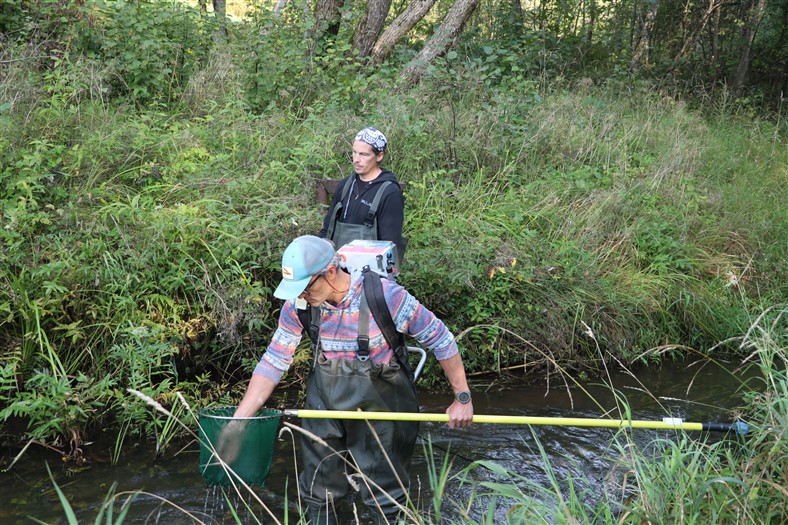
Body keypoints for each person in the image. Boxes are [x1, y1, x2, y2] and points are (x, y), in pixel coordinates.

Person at [228, 235, 473, 524]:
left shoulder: (385, 297)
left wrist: (462, 398)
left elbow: (442, 340)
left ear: (331, 271)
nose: (302, 295)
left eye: (306, 287)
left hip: (381, 409)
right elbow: (274, 359)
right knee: (319, 491)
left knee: (385, 497)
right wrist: (239, 420)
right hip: (325, 407)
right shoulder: (299, 305)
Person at [318, 127, 406, 259]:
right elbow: (327, 229)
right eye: (354, 152)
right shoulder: (345, 185)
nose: (356, 160)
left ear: (379, 156)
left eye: (364, 154)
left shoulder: (389, 193)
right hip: (336, 268)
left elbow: (390, 246)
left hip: (369, 271)